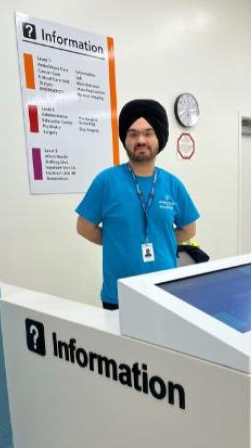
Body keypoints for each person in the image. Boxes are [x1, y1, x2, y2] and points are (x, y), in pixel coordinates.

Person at [76, 99, 200, 310]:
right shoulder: (106, 181)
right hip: (119, 297)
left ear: (159, 138)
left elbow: (189, 229)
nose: (141, 140)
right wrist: (119, 240)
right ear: (125, 139)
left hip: (164, 293)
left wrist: (161, 239)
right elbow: (84, 227)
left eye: (148, 133)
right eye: (133, 134)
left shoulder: (173, 185)